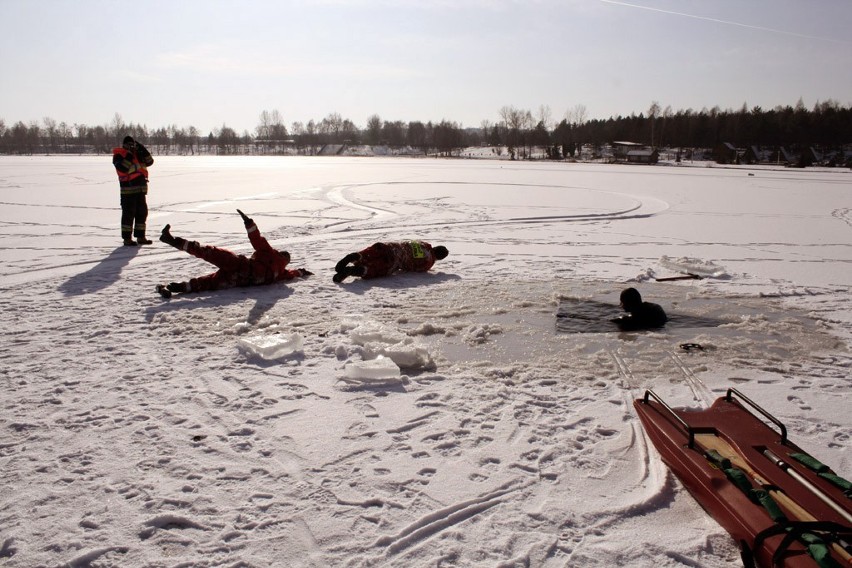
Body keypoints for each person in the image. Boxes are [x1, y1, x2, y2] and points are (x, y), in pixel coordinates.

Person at [156, 210, 312, 298]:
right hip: (239, 281)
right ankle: (177, 287)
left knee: (207, 252)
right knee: (208, 283)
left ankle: (173, 240)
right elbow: (293, 273)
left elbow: (256, 239)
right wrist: (302, 272)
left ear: (282, 254)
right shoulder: (282, 273)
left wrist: (249, 222)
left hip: (240, 265)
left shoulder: (271, 254)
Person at [333, 240, 449, 283]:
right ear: (439, 258)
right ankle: (355, 270)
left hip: (389, 246)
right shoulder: (428, 261)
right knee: (374, 269)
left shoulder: (422, 243)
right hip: (394, 260)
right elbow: (412, 268)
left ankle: (355, 257)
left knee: (368, 254)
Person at [112, 135, 155, 246]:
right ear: (124, 145)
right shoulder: (118, 156)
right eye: (129, 145)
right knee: (128, 215)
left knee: (142, 213)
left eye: (133, 144)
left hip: (140, 190)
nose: (131, 147)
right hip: (128, 191)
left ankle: (141, 237)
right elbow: (123, 168)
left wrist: (142, 148)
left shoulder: (138, 154)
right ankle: (127, 239)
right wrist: (130, 155)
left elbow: (150, 161)